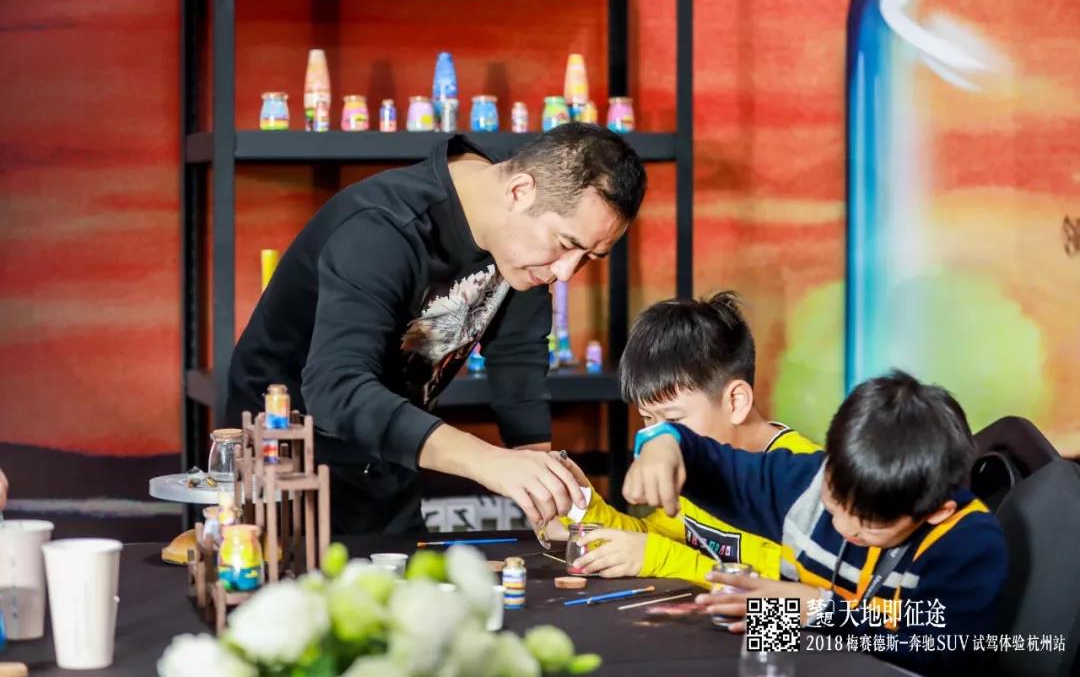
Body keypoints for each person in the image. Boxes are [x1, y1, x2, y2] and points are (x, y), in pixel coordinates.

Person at [226, 124, 647, 534]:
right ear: (520, 191)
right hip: (285, 467)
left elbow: (517, 350)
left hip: (393, 455)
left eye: (590, 257)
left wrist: (543, 482)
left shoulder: (523, 239)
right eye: (567, 244)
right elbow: (335, 388)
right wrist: (487, 462)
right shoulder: (383, 228)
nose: (566, 272)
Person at [624, 371, 1007, 674]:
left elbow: (939, 649)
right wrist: (664, 442)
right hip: (794, 661)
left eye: (870, 525)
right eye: (833, 500)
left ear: (936, 511)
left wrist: (821, 610)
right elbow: (713, 465)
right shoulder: (807, 482)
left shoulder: (969, 543)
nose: (843, 527)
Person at [555, 292, 819, 585]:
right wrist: (579, 504)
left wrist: (664, 559)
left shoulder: (807, 484)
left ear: (736, 401)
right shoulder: (692, 464)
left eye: (673, 421)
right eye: (647, 418)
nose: (654, 437)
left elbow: (793, 599)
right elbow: (654, 541)